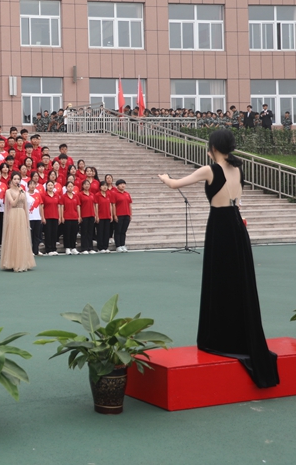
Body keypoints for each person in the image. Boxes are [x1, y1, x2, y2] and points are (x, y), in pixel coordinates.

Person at [158, 129, 279, 389]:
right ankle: (239, 335)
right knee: (239, 282)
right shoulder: (238, 169)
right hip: (237, 225)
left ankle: (220, 338)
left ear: (213, 147)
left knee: (220, 281)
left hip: (220, 227)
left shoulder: (210, 169)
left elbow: (175, 184)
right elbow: (239, 201)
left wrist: (165, 177)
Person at [0, 173, 35, 272]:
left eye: (18, 179)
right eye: (14, 179)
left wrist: (27, 220)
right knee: (14, 237)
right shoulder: (8, 191)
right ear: (11, 180)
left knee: (22, 237)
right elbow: (13, 203)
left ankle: (24, 262)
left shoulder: (23, 191)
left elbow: (25, 206)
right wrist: (19, 193)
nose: (16, 181)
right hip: (13, 214)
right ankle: (12, 262)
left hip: (22, 214)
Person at [60, 181, 81, 255]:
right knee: (67, 233)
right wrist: (62, 216)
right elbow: (62, 207)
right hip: (67, 217)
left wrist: (79, 216)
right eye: (69, 186)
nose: (70, 188)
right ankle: (67, 248)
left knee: (74, 233)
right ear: (66, 187)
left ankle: (73, 247)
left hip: (74, 217)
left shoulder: (76, 196)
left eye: (71, 186)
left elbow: (78, 207)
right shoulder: (63, 196)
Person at [112, 179, 132, 252]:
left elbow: (129, 204)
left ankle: (123, 244)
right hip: (119, 215)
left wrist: (130, 214)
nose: (122, 185)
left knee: (123, 231)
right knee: (118, 230)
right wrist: (114, 215)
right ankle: (118, 245)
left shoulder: (127, 194)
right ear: (117, 186)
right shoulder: (115, 194)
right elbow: (113, 205)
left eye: (124, 184)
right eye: (121, 184)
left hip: (126, 214)